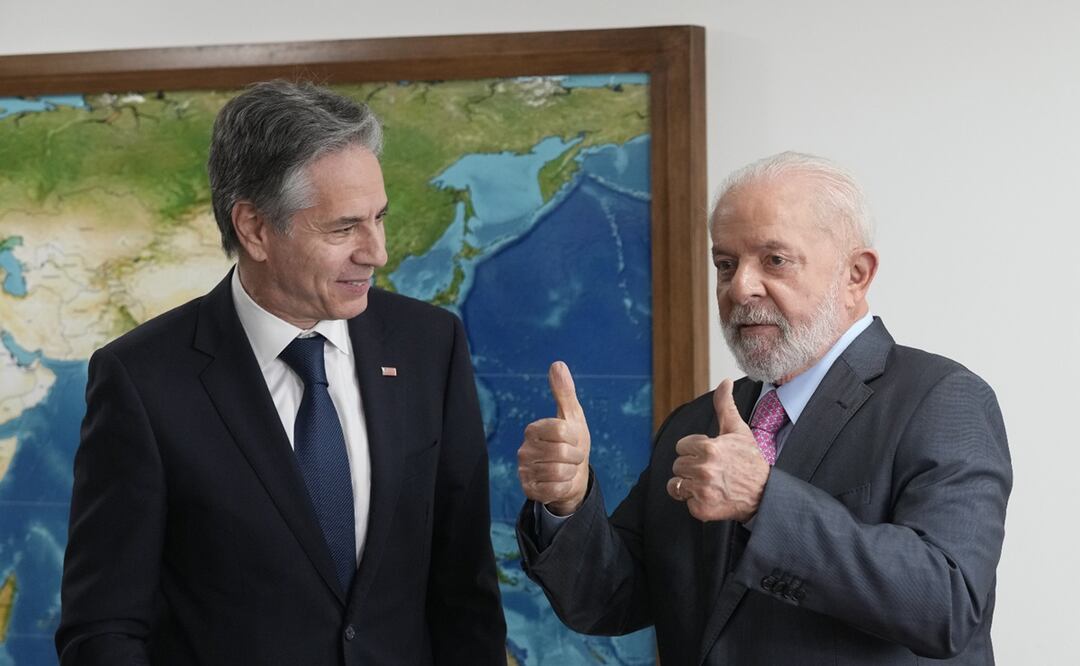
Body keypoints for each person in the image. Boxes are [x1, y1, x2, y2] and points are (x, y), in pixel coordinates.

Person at [56, 80, 506, 665]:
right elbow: (103, 629)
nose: (376, 251)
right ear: (254, 229)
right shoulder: (141, 381)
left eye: (379, 218)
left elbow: (464, 590)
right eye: (343, 227)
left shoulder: (430, 345)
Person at [516, 152, 1012, 664]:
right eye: (725, 264)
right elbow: (608, 600)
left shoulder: (942, 399)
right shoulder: (695, 424)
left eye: (774, 260)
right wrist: (566, 504)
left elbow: (948, 605)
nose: (740, 287)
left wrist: (763, 500)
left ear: (856, 275)